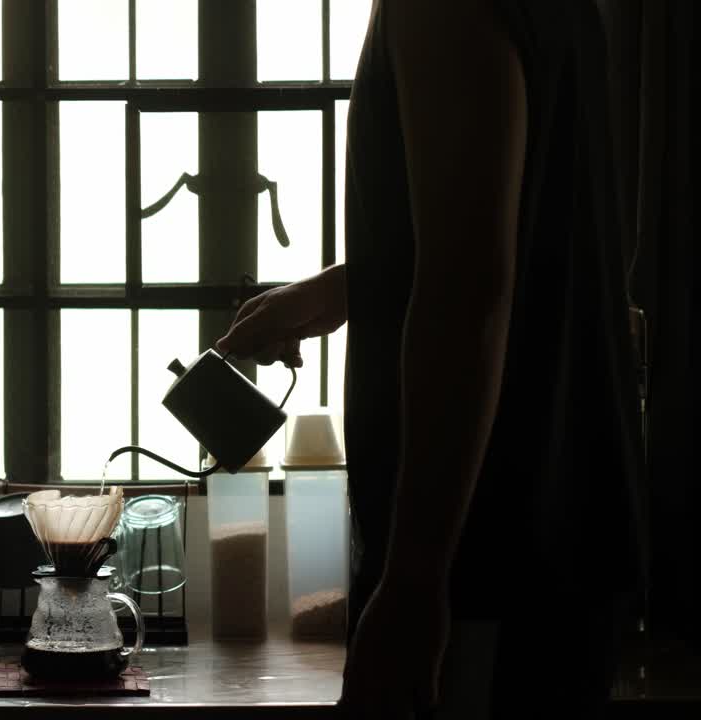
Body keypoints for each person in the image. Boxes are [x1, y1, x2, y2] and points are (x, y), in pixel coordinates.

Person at [217, 1, 646, 718]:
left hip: (481, 564)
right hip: (556, 532)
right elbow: (506, 227)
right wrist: (338, 292)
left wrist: (415, 583)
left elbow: (471, 286)